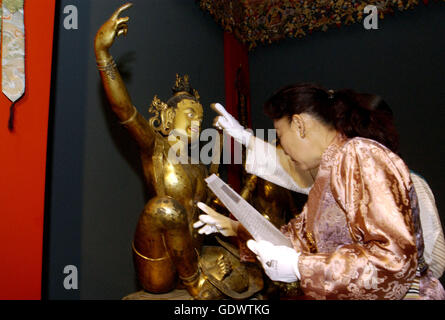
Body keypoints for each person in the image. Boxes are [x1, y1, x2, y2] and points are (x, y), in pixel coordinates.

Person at [194, 83, 445, 299]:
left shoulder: (361, 155)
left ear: (300, 125)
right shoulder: (328, 173)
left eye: (280, 135)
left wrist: (299, 267)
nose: (282, 148)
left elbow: (393, 262)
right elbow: (295, 239)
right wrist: (235, 227)